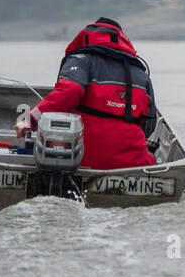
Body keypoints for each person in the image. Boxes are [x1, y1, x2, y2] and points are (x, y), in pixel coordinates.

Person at [15, 17, 158, 170]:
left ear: (88, 36)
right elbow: (149, 126)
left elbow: (69, 92)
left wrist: (30, 120)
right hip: (133, 165)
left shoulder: (81, 60)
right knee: (151, 158)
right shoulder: (142, 76)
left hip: (84, 160)